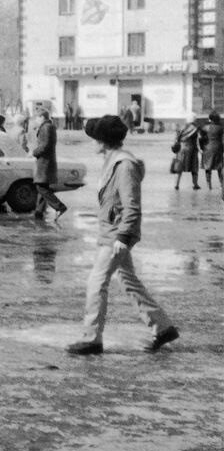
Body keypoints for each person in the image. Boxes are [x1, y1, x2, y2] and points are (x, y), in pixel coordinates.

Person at [66, 115, 180, 355]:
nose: (92, 142)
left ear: (103, 141)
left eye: (95, 138)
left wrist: (123, 237)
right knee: (128, 281)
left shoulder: (124, 165)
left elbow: (132, 206)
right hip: (111, 231)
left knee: (96, 282)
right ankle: (163, 327)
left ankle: (91, 338)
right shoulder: (113, 160)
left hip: (116, 235)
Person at [32, 108, 68, 221]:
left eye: (36, 118)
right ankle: (39, 212)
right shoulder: (48, 126)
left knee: (40, 187)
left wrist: (34, 152)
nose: (35, 120)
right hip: (46, 162)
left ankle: (59, 206)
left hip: (45, 162)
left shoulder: (46, 127)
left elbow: (45, 145)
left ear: (42, 117)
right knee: (43, 187)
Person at [173, 112, 201, 191]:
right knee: (194, 168)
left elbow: (176, 138)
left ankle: (176, 185)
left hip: (181, 149)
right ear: (194, 119)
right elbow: (199, 139)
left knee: (179, 168)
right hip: (192, 149)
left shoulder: (182, 127)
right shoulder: (195, 128)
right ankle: (195, 184)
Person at [199, 110, 223, 190]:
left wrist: (201, 148)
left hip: (207, 149)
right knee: (219, 167)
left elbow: (200, 138)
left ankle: (209, 186)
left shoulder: (205, 127)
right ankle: (221, 184)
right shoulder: (221, 128)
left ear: (210, 119)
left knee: (207, 167)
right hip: (218, 148)